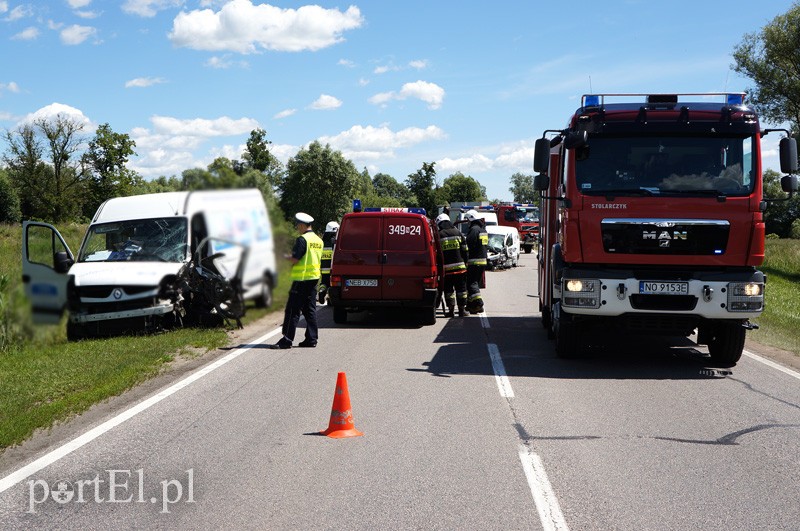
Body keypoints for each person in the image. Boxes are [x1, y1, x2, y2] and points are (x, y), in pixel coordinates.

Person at [272, 212, 324, 349]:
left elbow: (295, 259)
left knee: (292, 310)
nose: (297, 228)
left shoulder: (302, 240)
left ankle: (287, 340)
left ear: (302, 225)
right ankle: (311, 339)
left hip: (301, 280)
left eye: (297, 226)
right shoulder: (319, 240)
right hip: (313, 279)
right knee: (310, 310)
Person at [436, 213, 469, 317]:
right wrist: (466, 262)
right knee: (461, 290)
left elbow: (436, 253)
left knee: (448, 290)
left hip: (447, 270)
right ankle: (462, 310)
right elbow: (465, 250)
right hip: (460, 269)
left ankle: (450, 311)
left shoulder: (439, 235)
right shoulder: (458, 233)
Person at [464, 209, 488, 314]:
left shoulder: (473, 230)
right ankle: (472, 306)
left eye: (468, 220)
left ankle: (479, 303)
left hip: (474, 261)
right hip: (482, 261)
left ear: (471, 219)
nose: (467, 223)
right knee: (475, 284)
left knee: (471, 283)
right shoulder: (483, 230)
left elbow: (468, 245)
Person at [318, 221, 339, 304]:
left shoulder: (322, 242)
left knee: (324, 283)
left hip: (324, 269)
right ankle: (330, 299)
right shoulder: (336, 242)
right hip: (333, 268)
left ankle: (321, 291)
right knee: (333, 285)